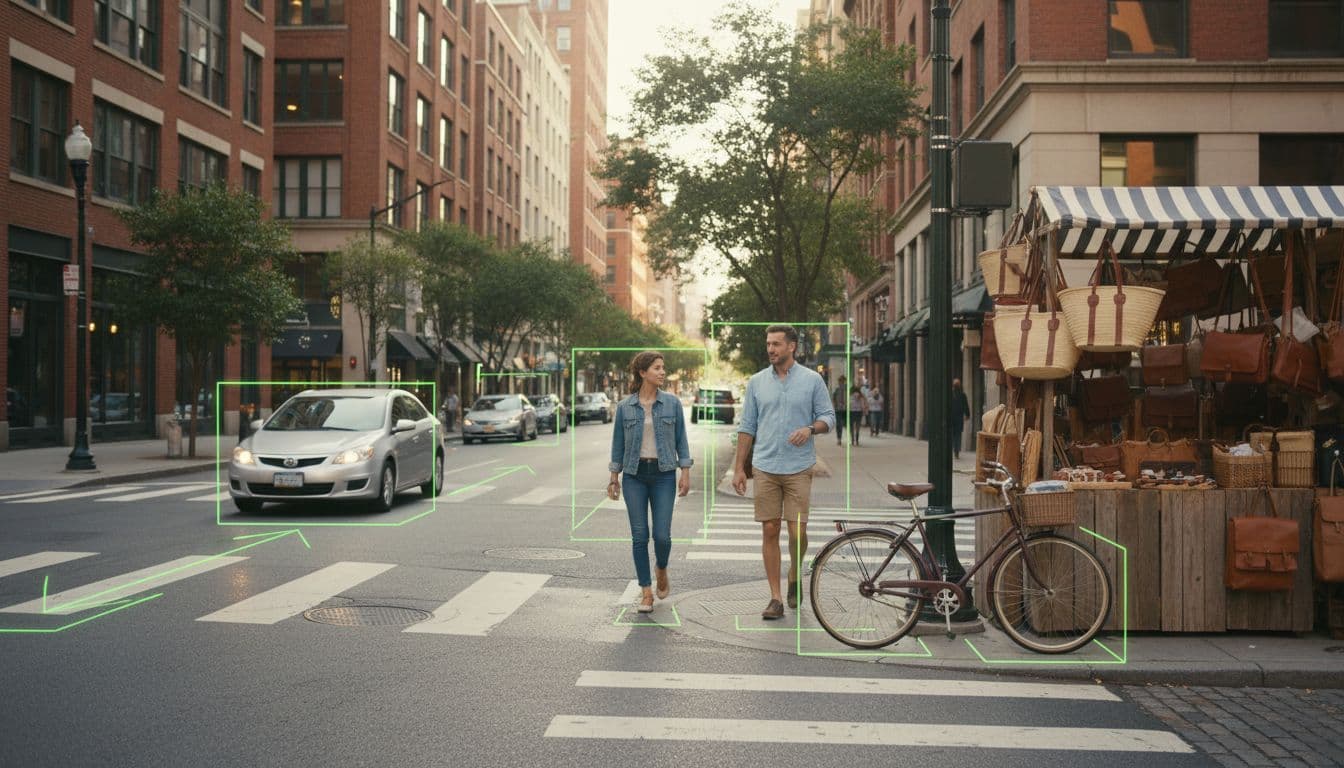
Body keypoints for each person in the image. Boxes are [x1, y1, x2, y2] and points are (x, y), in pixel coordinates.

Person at [732, 325, 835, 619]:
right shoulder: (756, 382)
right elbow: (747, 426)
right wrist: (740, 468)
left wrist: (810, 428)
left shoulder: (812, 380)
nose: (771, 349)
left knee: (797, 531)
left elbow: (828, 417)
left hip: (799, 467)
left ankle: (794, 573)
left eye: (776, 343)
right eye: (768, 343)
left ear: (792, 346)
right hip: (764, 466)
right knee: (770, 528)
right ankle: (775, 598)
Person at [608, 351, 693, 613]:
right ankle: (646, 592)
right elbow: (618, 444)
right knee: (639, 536)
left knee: (662, 536)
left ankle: (662, 569)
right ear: (643, 373)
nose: (662, 372)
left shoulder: (672, 404)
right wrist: (614, 476)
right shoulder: (625, 407)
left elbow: (681, 439)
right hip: (634, 475)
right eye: (657, 368)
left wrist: (685, 471)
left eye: (663, 368)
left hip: (664, 474)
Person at [950, 378, 970, 460]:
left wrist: (967, 414)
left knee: (955, 435)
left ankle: (956, 450)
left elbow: (965, 406)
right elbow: (966, 406)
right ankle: (956, 451)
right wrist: (967, 415)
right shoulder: (961, 395)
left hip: (955, 418)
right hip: (956, 418)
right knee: (957, 435)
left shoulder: (961, 395)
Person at [830, 375, 848, 446]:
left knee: (847, 424)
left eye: (843, 381)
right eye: (840, 381)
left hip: (846, 410)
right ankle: (839, 439)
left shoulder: (848, 390)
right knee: (839, 425)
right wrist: (834, 406)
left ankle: (852, 438)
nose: (841, 383)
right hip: (838, 410)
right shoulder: (836, 390)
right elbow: (833, 399)